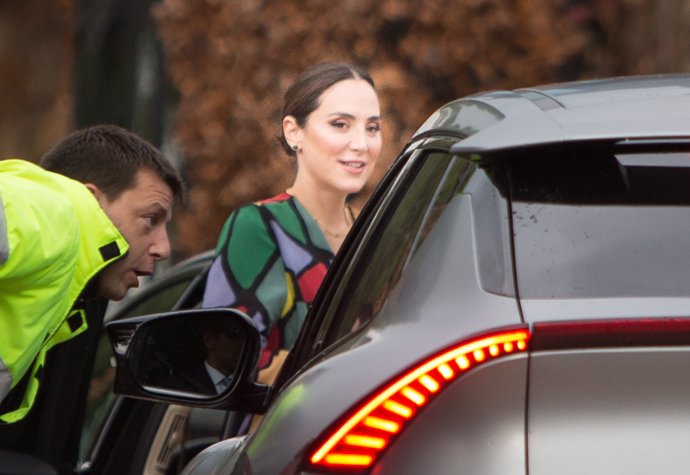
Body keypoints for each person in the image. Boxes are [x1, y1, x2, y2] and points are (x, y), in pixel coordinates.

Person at [202, 62, 383, 377]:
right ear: (293, 131)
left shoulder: (376, 234)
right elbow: (225, 367)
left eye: (372, 127)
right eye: (340, 124)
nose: (361, 144)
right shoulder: (259, 225)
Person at [0, 124, 184, 423]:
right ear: (91, 200)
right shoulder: (55, 212)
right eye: (150, 219)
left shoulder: (63, 273)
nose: (163, 248)